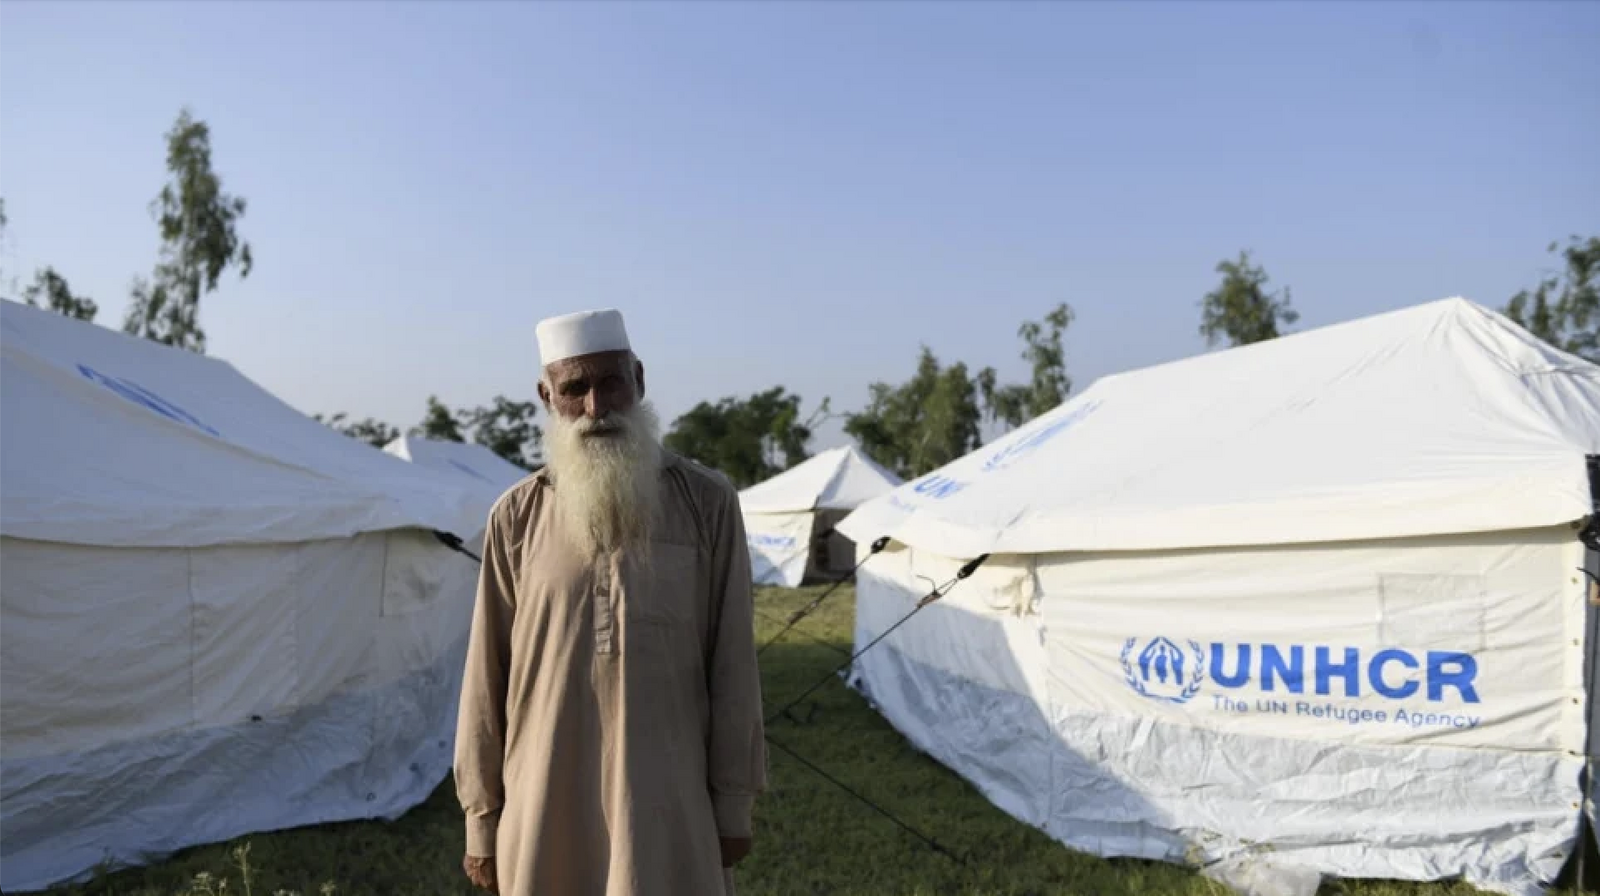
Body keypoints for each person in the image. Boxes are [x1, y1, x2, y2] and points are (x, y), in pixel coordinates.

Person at [453, 308, 767, 896]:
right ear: (548, 397)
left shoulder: (707, 503)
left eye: (610, 382)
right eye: (575, 388)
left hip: (669, 809)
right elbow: (483, 682)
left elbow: (733, 668)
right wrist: (481, 821)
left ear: (639, 380)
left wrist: (733, 803)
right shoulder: (516, 516)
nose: (596, 407)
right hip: (542, 805)